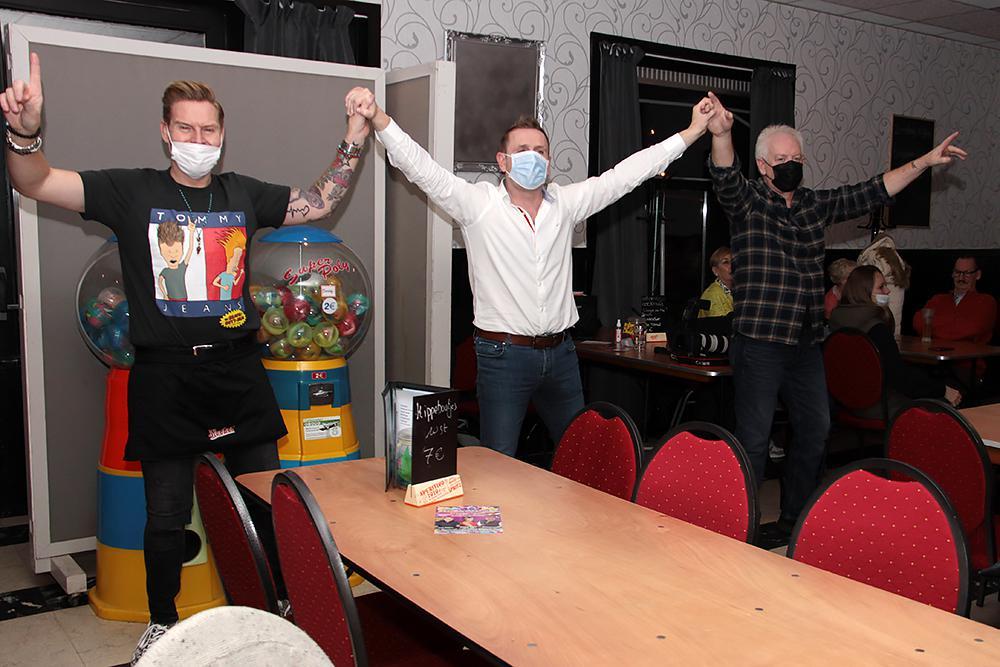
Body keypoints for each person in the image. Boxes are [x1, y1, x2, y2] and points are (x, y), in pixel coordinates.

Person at [2, 54, 369, 663]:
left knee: (263, 500)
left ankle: (274, 607)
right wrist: (25, 133)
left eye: (209, 130)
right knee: (166, 514)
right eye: (186, 128)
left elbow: (319, 202)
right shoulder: (130, 191)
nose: (198, 140)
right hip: (165, 377)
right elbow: (35, 182)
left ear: (222, 135)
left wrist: (354, 134)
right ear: (165, 132)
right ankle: (162, 621)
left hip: (237, 371)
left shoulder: (241, 193)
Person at [344, 86, 716, 458]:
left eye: (540, 151)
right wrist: (378, 117)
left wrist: (692, 132)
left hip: (562, 354)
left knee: (578, 455)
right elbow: (420, 167)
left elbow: (626, 175)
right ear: (503, 161)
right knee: (499, 461)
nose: (533, 158)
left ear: (549, 161)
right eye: (523, 150)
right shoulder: (478, 205)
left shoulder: (566, 204)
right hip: (503, 355)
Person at [705, 90, 966, 543]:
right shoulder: (747, 202)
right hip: (761, 343)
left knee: (816, 430)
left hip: (806, 343)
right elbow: (726, 174)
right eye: (782, 159)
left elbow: (873, 190)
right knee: (754, 439)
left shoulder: (813, 205)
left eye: (798, 158)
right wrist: (722, 134)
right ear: (764, 166)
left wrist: (923, 162)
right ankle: (739, 530)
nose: (792, 164)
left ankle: (792, 521)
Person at [830, 265, 961, 417]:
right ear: (864, 292)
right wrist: (943, 390)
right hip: (879, 406)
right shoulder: (875, 328)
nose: (888, 291)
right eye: (881, 287)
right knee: (944, 405)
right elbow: (900, 378)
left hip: (843, 405)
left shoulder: (836, 323)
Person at [857, 232, 909, 337]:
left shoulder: (872, 255)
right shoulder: (896, 257)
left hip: (876, 291)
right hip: (897, 289)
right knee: (893, 324)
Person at [698, 246, 734, 317]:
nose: (732, 266)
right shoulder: (712, 295)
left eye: (733, 261)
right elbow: (723, 323)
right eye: (726, 262)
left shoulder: (738, 290)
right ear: (715, 271)